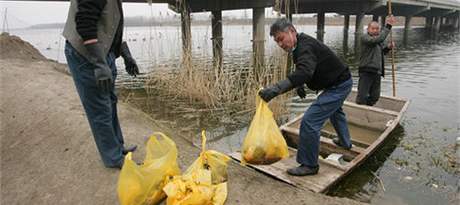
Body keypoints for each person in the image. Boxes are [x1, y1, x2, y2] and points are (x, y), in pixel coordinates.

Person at [259, 18, 353, 176]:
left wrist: (276, 89)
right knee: (336, 111)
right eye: (277, 42)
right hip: (337, 82)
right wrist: (300, 85)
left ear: (292, 31)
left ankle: (310, 165)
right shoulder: (297, 46)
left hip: (339, 84)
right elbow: (305, 67)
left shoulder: (305, 46)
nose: (280, 44)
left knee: (310, 122)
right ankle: (345, 142)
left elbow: (305, 71)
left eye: (281, 39)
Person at [63, 0, 140, 168]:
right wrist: (99, 63)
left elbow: (109, 25)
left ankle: (118, 147)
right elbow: (84, 22)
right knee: (100, 107)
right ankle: (113, 158)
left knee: (111, 100)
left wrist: (125, 54)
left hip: (105, 52)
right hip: (85, 54)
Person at [356, 16, 396, 106]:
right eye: (373, 28)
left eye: (377, 29)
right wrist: (388, 25)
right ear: (368, 29)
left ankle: (368, 108)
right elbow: (378, 39)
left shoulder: (379, 41)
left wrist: (388, 48)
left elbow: (382, 52)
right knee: (362, 96)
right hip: (366, 71)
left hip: (377, 72)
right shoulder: (365, 38)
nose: (375, 30)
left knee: (375, 96)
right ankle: (360, 108)